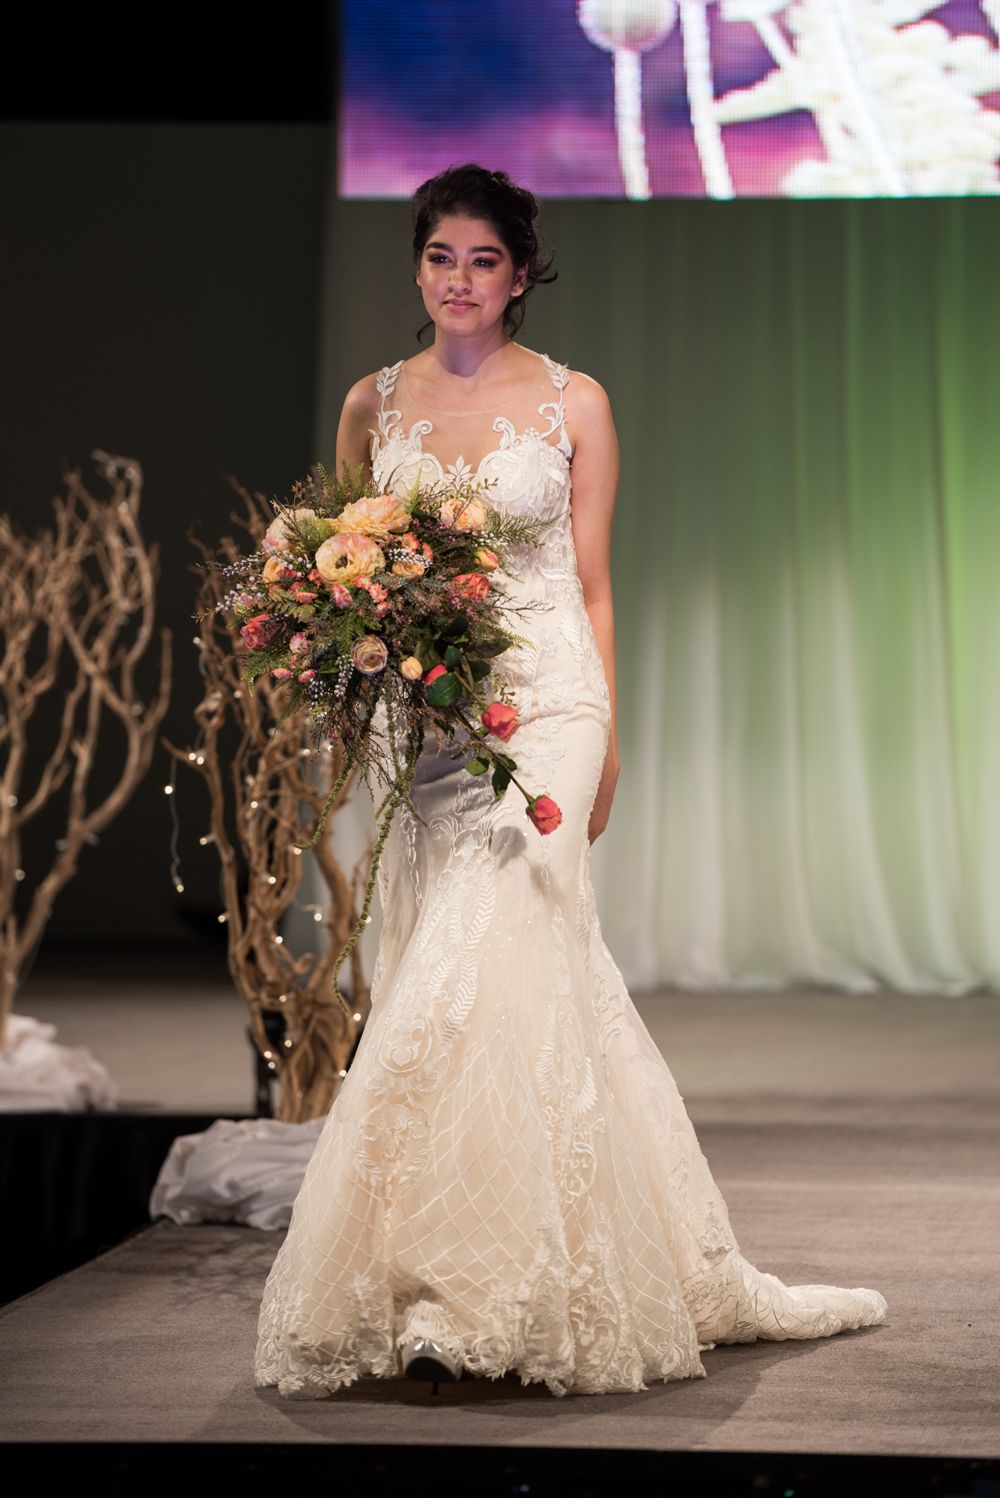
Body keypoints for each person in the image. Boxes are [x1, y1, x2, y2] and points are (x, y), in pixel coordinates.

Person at [253, 163, 887, 1400]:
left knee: (491, 943)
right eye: (440, 257)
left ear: (521, 273)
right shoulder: (372, 402)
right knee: (481, 971)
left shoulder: (574, 401)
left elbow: (590, 582)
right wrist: (345, 650)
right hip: (433, 726)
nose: (459, 280)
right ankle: (451, 1266)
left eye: (483, 260)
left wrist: (611, 733)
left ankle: (472, 1286)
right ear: (416, 266)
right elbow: (347, 563)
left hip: (548, 705)